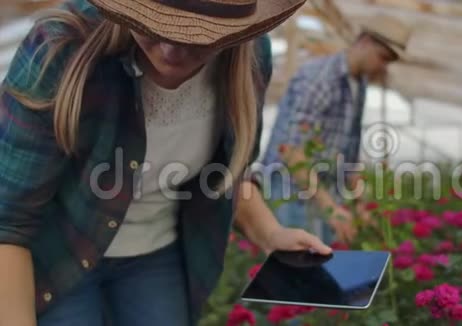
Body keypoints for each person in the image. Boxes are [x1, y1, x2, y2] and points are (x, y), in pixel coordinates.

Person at [0, 0, 333, 325]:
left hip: (156, 255)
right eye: (153, 25)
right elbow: (7, 221)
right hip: (57, 253)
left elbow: (229, 174)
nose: (171, 50)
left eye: (200, 36)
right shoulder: (63, 46)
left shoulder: (250, 60)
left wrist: (271, 233)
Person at [258, 20, 411, 244]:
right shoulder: (319, 79)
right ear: (365, 42)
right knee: (296, 264)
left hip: (323, 188)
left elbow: (348, 146)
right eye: (383, 57)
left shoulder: (357, 83)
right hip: (292, 189)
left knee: (319, 263)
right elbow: (291, 151)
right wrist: (330, 207)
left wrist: (359, 202)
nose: (384, 67)